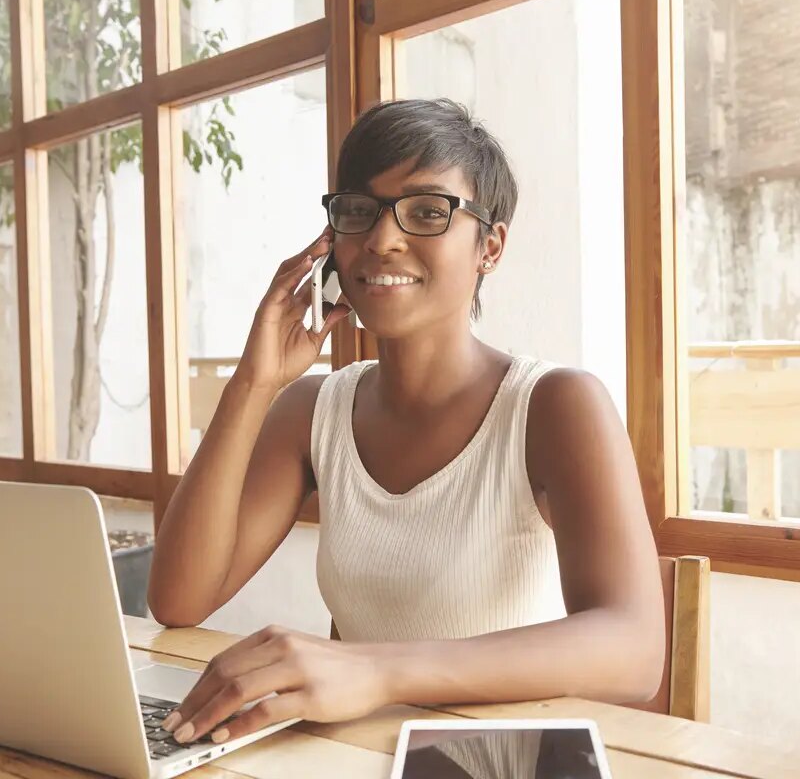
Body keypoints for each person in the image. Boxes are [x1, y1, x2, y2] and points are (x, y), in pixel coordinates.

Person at [147, 98, 665, 748]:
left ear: (490, 247)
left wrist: (374, 669)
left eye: (426, 212)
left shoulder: (555, 405)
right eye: (360, 211)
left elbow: (636, 648)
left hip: (503, 755)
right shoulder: (312, 409)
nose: (383, 239)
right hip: (356, 755)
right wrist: (254, 384)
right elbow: (177, 599)